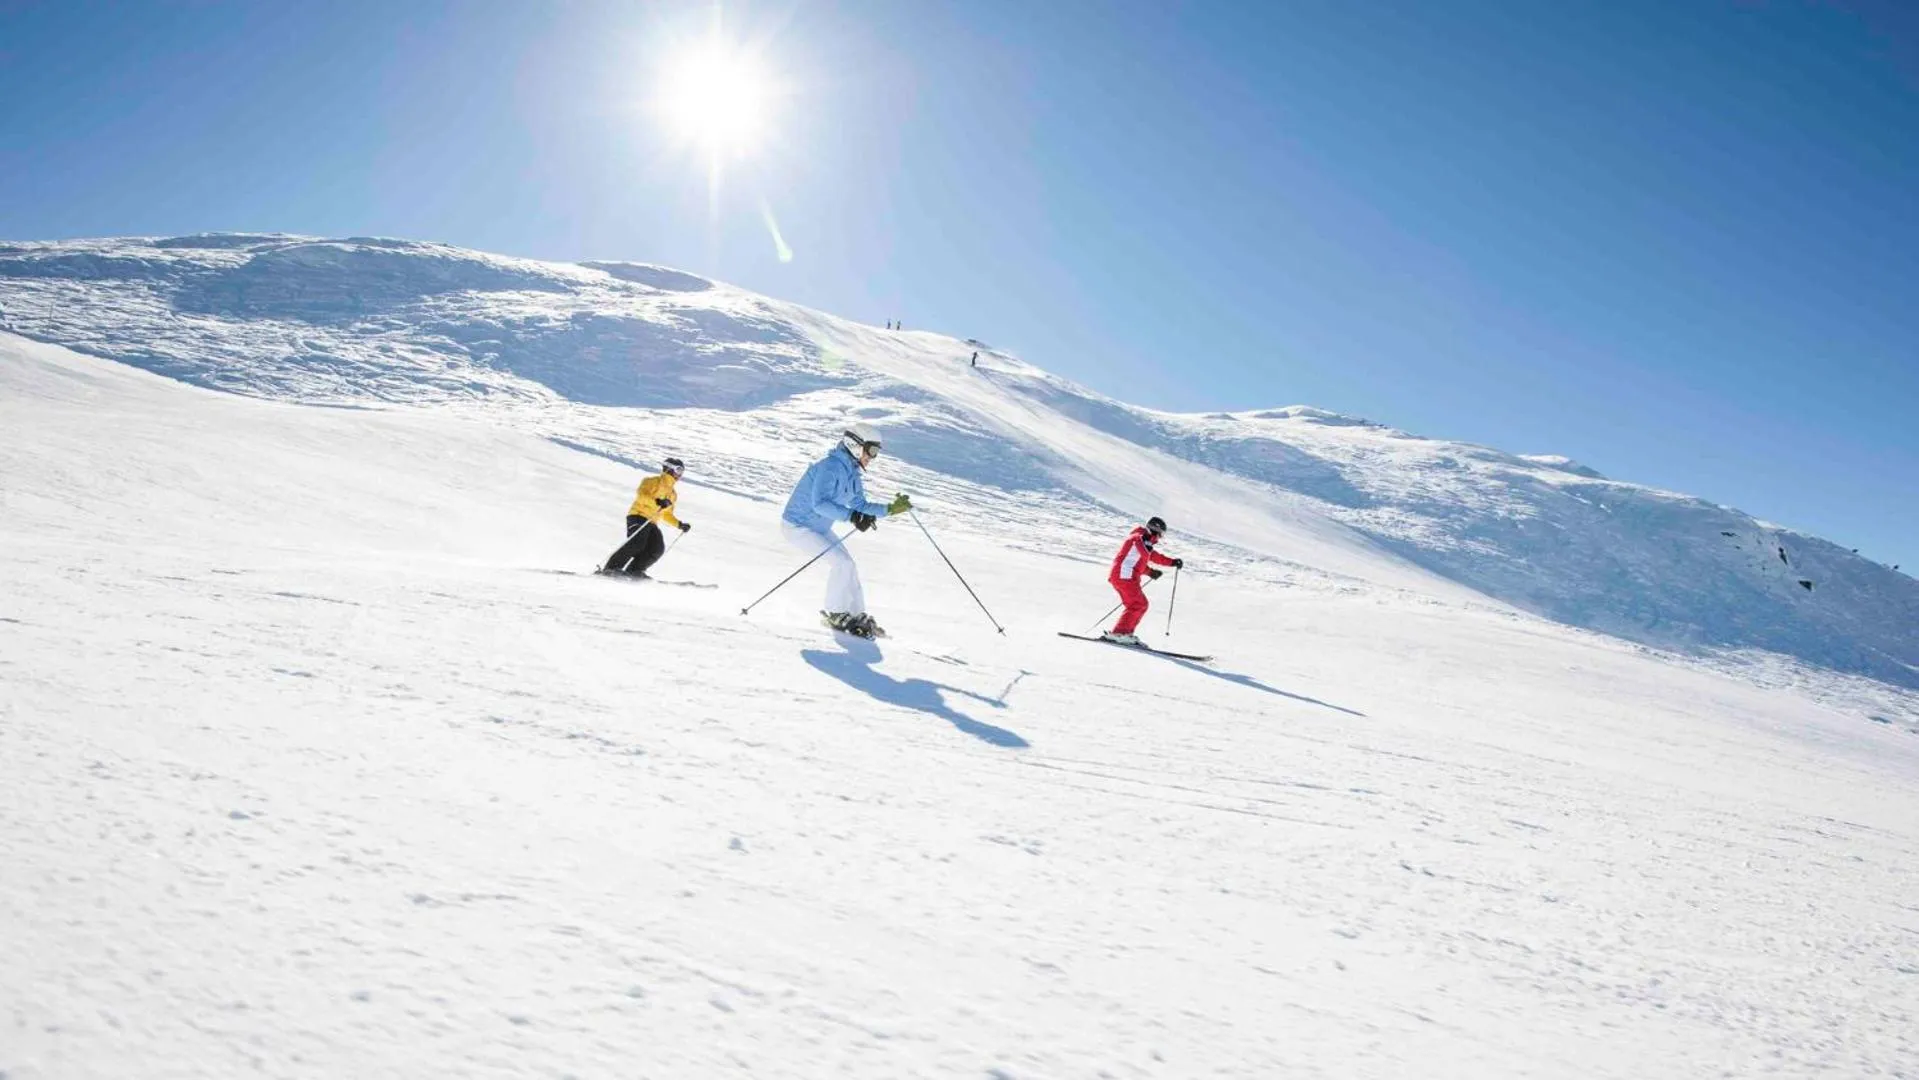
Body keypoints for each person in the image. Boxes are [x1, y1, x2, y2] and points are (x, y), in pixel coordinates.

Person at [780, 422, 912, 637]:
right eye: (871, 450)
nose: (873, 457)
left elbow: (860, 505)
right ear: (855, 444)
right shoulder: (829, 467)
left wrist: (890, 509)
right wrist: (852, 517)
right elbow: (819, 503)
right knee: (840, 563)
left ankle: (856, 614)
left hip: (818, 528)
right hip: (798, 525)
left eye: (876, 451)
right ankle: (835, 613)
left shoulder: (852, 472)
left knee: (848, 565)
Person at [600, 457, 691, 578]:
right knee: (637, 542)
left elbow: (666, 514)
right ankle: (610, 569)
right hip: (638, 516)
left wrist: (679, 524)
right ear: (669, 468)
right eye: (678, 470)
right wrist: (657, 501)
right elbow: (641, 496)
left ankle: (634, 571)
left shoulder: (672, 494)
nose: (680, 475)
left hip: (652, 522)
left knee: (657, 549)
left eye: (682, 472)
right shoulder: (652, 481)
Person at [1103, 515, 1183, 645]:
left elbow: (1142, 558)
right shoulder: (1138, 538)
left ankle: (1125, 634)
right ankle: (1119, 633)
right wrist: (1147, 543)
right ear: (1154, 530)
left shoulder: (1142, 540)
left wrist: (1153, 571)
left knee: (1138, 605)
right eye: (1160, 534)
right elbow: (1146, 553)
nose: (1160, 538)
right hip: (1124, 577)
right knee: (1138, 604)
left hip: (1124, 577)